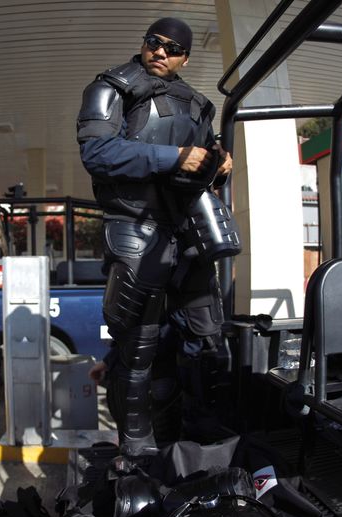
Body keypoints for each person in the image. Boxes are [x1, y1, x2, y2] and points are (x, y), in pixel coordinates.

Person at [77, 17, 237, 456]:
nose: (161, 52)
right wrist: (174, 158)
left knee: (206, 344)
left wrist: (220, 164)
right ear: (144, 43)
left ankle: (189, 449)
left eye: (172, 48)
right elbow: (98, 153)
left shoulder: (198, 105)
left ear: (185, 56)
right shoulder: (112, 87)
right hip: (134, 228)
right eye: (154, 42)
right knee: (138, 351)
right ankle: (137, 455)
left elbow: (204, 159)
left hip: (187, 235)